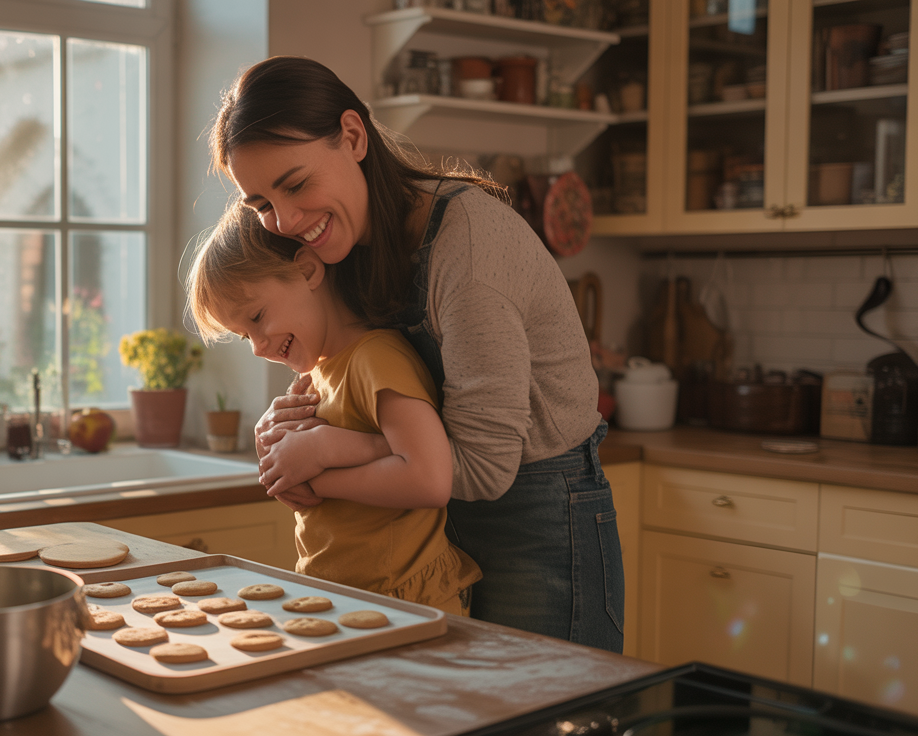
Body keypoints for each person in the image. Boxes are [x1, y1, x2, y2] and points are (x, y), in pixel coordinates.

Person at [208, 56, 623, 652]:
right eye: (261, 204)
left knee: (549, 701)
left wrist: (322, 461)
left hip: (540, 518)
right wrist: (287, 429)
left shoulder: (469, 250)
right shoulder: (340, 245)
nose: (286, 221)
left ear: (353, 136)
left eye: (295, 185)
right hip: (437, 527)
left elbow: (477, 468)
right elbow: (365, 392)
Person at [186, 204, 482, 615]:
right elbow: (371, 453)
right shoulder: (317, 376)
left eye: (256, 317)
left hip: (404, 599)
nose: (257, 347)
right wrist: (280, 452)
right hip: (342, 595)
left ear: (307, 271)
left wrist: (319, 470)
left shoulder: (375, 359)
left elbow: (430, 479)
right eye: (243, 336)